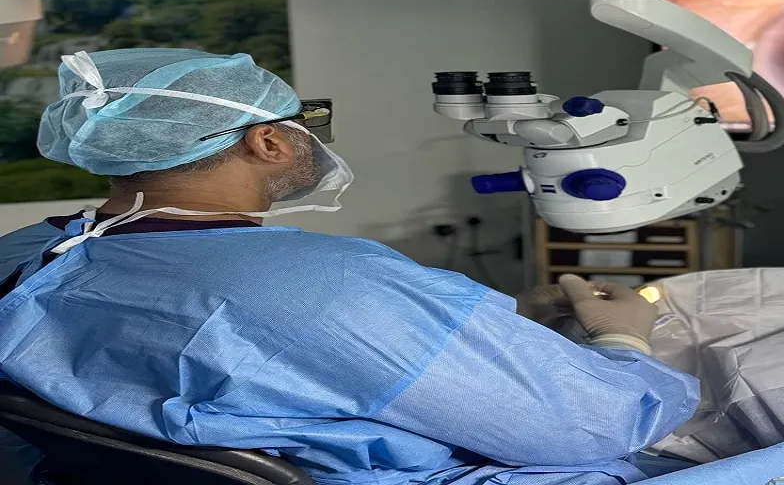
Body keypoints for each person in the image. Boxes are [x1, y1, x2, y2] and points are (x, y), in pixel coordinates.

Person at [0, 48, 699, 485]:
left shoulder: (27, 250)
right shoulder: (329, 285)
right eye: (307, 123)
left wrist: (497, 319)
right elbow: (591, 427)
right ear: (269, 142)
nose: (313, 137)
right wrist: (622, 339)